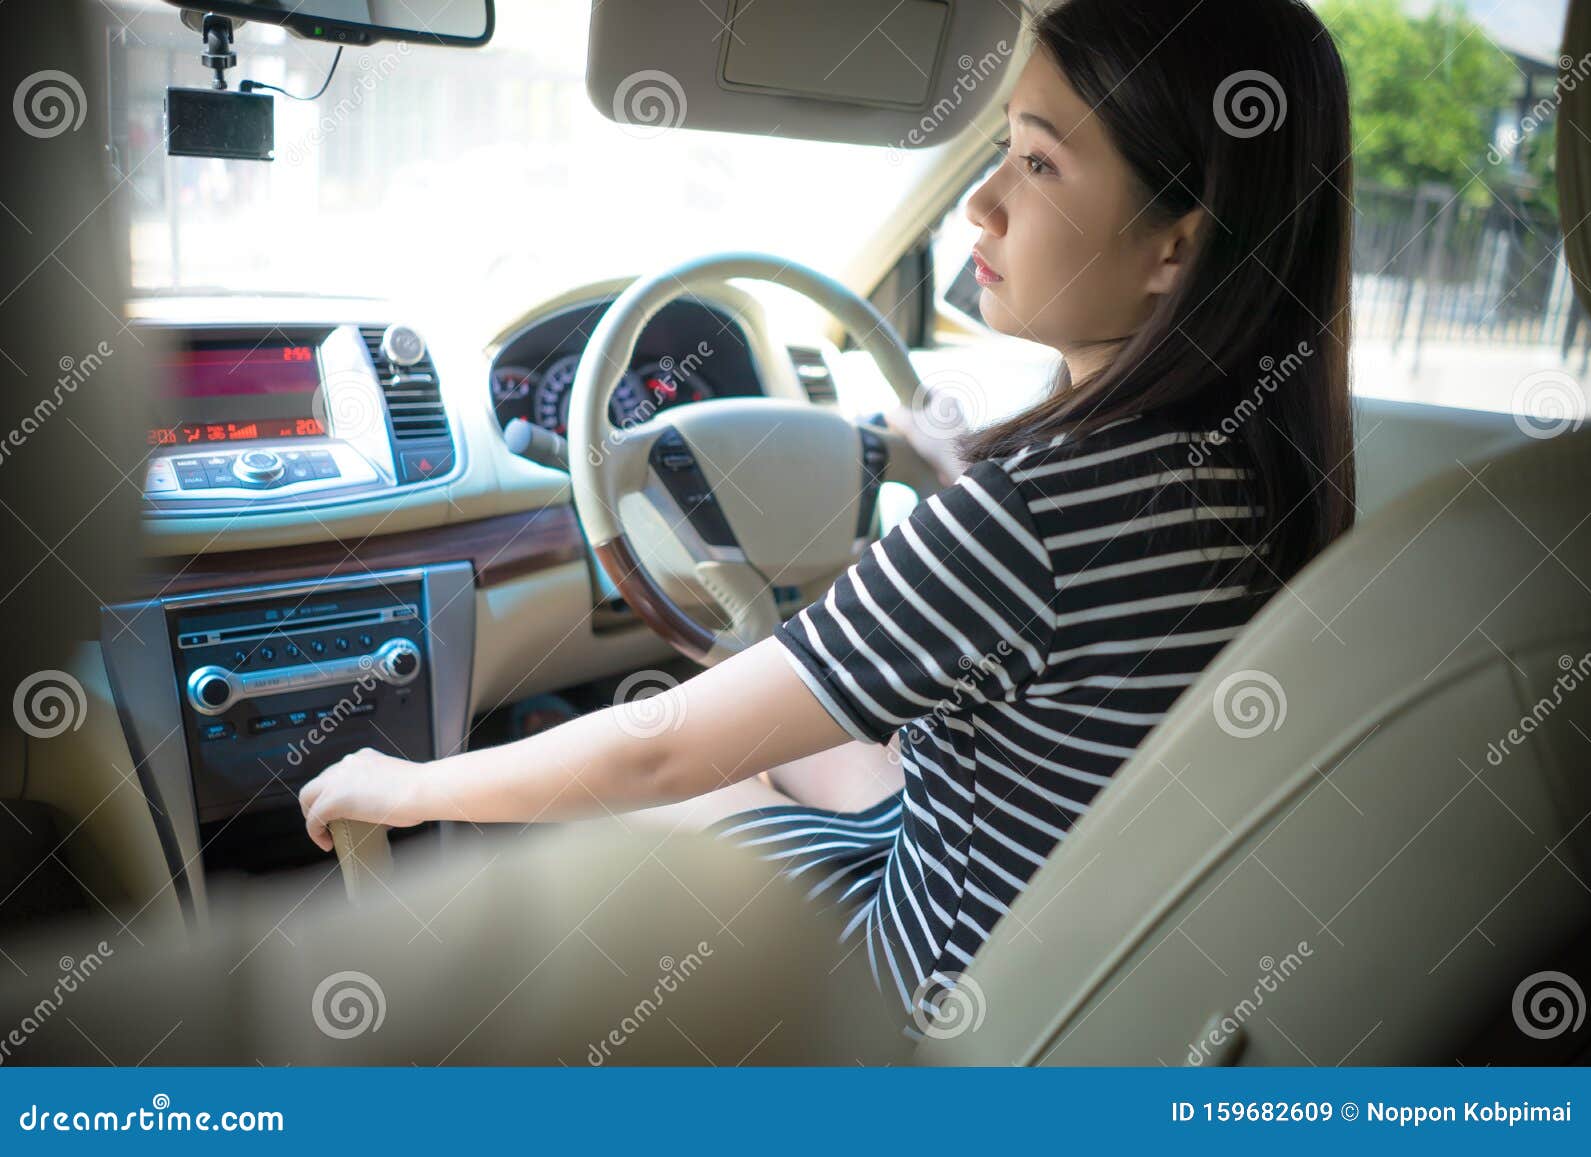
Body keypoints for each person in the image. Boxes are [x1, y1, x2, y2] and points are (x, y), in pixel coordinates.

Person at [298, 0, 1358, 1028]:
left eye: (1036, 163)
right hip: (1062, 951)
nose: (979, 203)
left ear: (1174, 247)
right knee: (755, 724)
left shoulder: (1024, 514)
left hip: (919, 997)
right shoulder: (1264, 468)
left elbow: (656, 752)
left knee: (670, 790)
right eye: (998, 149)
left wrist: (410, 783)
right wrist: (943, 471)